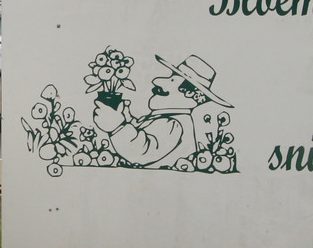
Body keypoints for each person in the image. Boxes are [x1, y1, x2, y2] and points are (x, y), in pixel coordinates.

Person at [92, 54, 234, 168]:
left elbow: (142, 151)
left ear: (190, 94)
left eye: (172, 81)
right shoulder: (165, 118)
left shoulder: (174, 124)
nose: (157, 82)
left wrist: (117, 127)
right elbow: (147, 132)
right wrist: (127, 118)